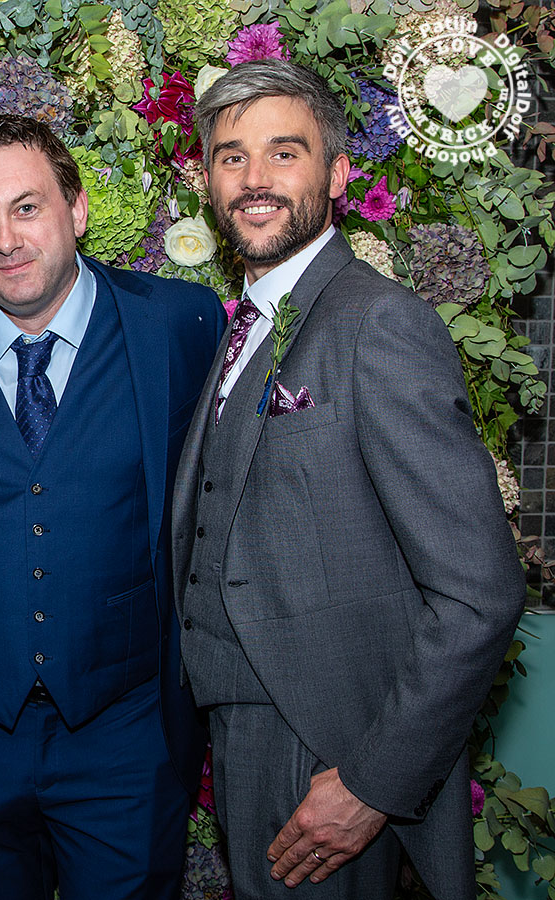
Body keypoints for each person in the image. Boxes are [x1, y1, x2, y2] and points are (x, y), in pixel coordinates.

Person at [172, 59, 526, 900]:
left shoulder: (379, 322)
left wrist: (373, 781)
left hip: (333, 747)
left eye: (284, 152)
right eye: (231, 157)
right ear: (208, 181)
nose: (255, 179)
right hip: (246, 732)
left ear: (336, 174)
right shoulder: (244, 324)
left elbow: (480, 592)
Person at [0, 115, 226, 900]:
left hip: (126, 731)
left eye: (26, 208)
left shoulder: (179, 324)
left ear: (78, 209)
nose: (6, 240)